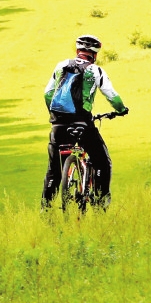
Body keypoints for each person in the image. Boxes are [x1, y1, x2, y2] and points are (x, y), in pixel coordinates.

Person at [41, 35, 128, 209]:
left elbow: (47, 93)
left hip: (58, 125)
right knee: (102, 161)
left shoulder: (61, 65)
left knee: (54, 169)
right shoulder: (95, 70)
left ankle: (46, 209)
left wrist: (55, 115)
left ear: (77, 52)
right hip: (82, 124)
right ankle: (101, 202)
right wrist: (121, 110)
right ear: (94, 55)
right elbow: (112, 96)